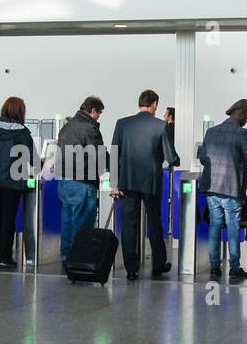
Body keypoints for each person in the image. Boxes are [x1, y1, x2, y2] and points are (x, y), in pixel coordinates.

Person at [111, 90, 178, 281]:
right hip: (151, 182)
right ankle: (158, 265)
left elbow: (114, 153)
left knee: (129, 225)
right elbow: (170, 156)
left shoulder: (122, 123)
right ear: (155, 104)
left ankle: (131, 268)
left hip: (127, 181)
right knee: (155, 223)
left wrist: (114, 183)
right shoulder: (161, 125)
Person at [198, 98, 247, 281]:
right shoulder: (242, 133)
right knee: (233, 227)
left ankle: (214, 267)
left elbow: (202, 157)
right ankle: (234, 267)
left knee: (215, 226)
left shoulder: (211, 132)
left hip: (212, 187)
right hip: (232, 188)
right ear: (243, 112)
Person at [0, 97, 35, 269]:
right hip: (13, 182)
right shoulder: (21, 132)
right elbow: (32, 158)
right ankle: (6, 256)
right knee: (8, 219)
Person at [56, 96, 106, 265]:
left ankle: (66, 256)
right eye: (99, 113)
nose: (99, 117)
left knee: (68, 220)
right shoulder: (89, 128)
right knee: (83, 222)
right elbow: (98, 154)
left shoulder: (66, 127)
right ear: (93, 111)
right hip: (83, 181)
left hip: (65, 180)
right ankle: (79, 258)